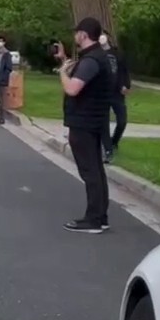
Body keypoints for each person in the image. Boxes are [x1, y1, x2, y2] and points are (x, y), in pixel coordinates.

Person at [54, 17, 114, 234]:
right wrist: (65, 62)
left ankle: (94, 219)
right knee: (96, 170)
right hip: (93, 121)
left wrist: (62, 73)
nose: (75, 36)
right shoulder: (95, 57)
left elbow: (72, 89)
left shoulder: (91, 61)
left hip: (85, 123)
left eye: (77, 33)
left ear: (83, 34)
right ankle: (101, 216)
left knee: (90, 172)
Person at [99, 32, 130, 163]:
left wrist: (125, 85)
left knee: (122, 121)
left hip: (117, 93)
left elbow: (124, 70)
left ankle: (114, 142)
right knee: (103, 122)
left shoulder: (117, 54)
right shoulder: (97, 55)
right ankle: (107, 150)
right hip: (103, 93)